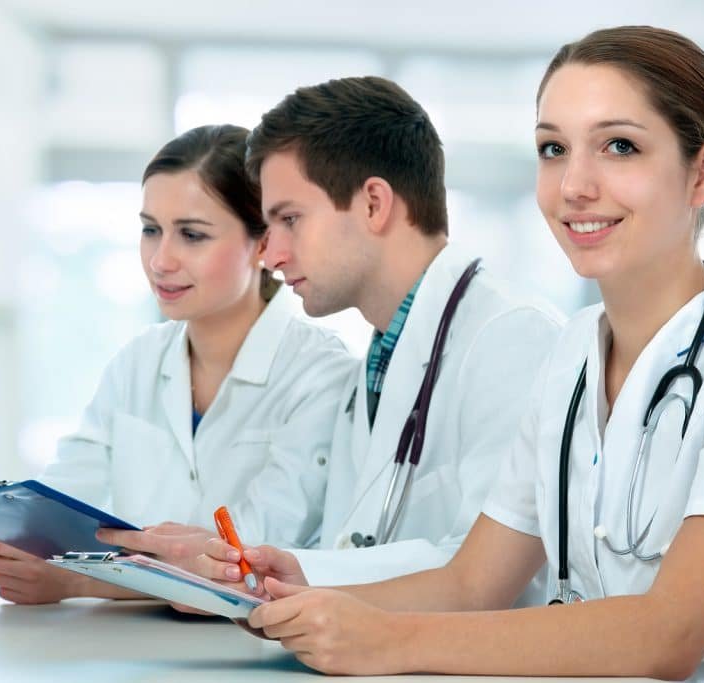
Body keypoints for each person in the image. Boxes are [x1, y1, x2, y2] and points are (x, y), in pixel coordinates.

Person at [232, 27, 704, 681]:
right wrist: (301, 589)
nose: (574, 184)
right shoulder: (572, 355)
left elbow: (667, 634)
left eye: (620, 146)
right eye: (553, 148)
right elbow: (470, 585)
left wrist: (385, 640)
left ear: (703, 172)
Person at [0, 124, 355, 603]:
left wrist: (81, 581)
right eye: (151, 230)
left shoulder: (320, 375)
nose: (161, 260)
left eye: (192, 235)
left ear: (263, 244)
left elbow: (252, 559)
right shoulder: (136, 363)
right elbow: (53, 512)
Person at [134, 76, 564, 597]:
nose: (272, 256)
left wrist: (302, 575)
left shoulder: (511, 338)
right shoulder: (378, 364)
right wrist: (246, 566)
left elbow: (487, 571)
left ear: (374, 205)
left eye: (290, 220)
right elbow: (351, 545)